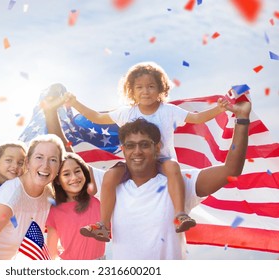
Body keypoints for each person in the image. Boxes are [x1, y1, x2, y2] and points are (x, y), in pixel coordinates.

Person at [65, 61, 231, 240]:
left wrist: (219, 109)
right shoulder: (126, 113)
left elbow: (197, 118)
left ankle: (180, 215)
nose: (146, 91)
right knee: (109, 177)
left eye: (151, 86)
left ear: (161, 89)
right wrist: (75, 103)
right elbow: (97, 117)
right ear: (132, 91)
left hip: (162, 160)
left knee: (174, 168)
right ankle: (104, 225)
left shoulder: (169, 111)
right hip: (134, 163)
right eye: (140, 87)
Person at [91, 99, 251, 259]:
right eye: (131, 146)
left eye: (145, 145)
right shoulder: (110, 184)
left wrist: (242, 120)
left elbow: (231, 170)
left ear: (157, 147)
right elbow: (68, 165)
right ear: (123, 150)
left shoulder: (179, 183)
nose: (137, 151)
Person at [0, 134, 65, 260]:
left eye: (53, 160)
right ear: (28, 163)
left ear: (59, 166)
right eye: (39, 157)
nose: (45, 165)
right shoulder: (10, 196)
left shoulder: (48, 196)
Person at [45, 152, 106, 260]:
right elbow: (51, 251)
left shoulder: (97, 203)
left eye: (77, 171)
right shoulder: (55, 211)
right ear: (58, 180)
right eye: (66, 174)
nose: (74, 177)